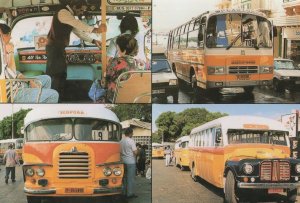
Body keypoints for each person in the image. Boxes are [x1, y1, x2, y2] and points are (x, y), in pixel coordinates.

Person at [46, 0, 106, 99]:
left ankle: (59, 96)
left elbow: (78, 32)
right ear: (75, 6)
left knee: (61, 74)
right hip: (54, 49)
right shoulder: (63, 12)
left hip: (59, 49)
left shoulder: (69, 17)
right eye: (81, 10)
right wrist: (95, 30)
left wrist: (93, 41)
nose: (82, 13)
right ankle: (54, 98)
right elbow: (77, 23)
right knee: (56, 75)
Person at [0, 21, 59, 103]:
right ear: (2, 36)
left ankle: (38, 106)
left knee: (47, 78)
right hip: (14, 94)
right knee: (53, 95)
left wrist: (29, 80)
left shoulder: (3, 51)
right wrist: (11, 52)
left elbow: (15, 72)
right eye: (9, 34)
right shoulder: (4, 53)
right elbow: (12, 75)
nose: (10, 37)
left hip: (18, 84)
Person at [105, 34, 145, 102]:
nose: (117, 48)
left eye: (118, 46)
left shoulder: (115, 61)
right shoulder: (140, 63)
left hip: (116, 96)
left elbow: (108, 76)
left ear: (124, 49)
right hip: (134, 96)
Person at [120, 127, 138, 199]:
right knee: (130, 178)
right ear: (130, 133)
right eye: (132, 133)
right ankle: (129, 194)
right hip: (130, 162)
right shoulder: (131, 141)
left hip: (123, 161)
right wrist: (138, 151)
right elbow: (135, 152)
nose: (133, 134)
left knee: (124, 178)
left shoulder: (121, 141)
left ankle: (124, 192)